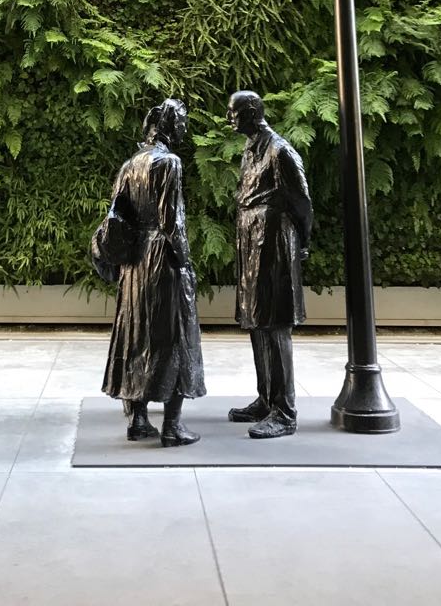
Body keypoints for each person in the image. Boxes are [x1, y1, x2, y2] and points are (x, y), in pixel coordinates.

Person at [96, 98, 206, 446]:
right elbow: (172, 221)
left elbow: (116, 217)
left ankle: (138, 420)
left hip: (134, 262)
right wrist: (184, 263)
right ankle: (172, 426)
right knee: (174, 334)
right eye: (183, 122)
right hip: (162, 257)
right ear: (170, 125)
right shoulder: (169, 163)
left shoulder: (130, 164)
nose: (185, 129)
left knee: (136, 333)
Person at [226, 89, 313, 439]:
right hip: (252, 242)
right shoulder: (251, 149)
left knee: (275, 325)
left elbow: (302, 203)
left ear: (251, 112)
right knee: (256, 321)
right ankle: (266, 399)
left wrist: (301, 244)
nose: (229, 119)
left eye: (233, 113)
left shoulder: (280, 151)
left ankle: (285, 412)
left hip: (275, 244)